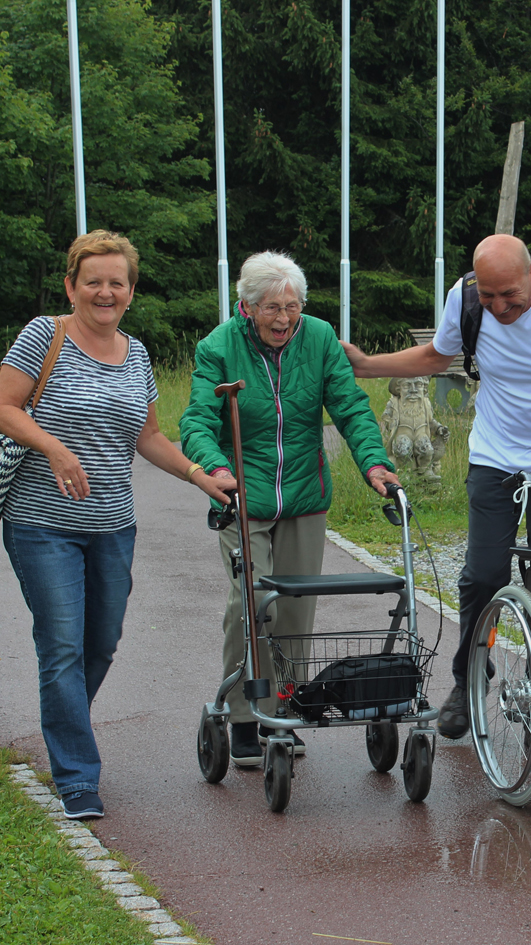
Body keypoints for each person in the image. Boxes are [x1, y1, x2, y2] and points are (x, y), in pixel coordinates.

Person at [0, 230, 232, 820]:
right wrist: (55, 448)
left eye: (116, 283)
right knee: (62, 646)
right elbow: (2, 408)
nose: (105, 292)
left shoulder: (137, 353)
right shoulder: (43, 335)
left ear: (130, 291)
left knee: (100, 643)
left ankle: (64, 722)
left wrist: (199, 475)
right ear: (71, 287)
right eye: (92, 281)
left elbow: (148, 436)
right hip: (42, 524)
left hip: (112, 526)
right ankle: (77, 777)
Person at [342, 234, 531, 739]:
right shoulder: (465, 299)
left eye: (510, 295)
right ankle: (469, 677)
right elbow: (435, 357)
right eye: (489, 296)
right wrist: (366, 365)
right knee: (482, 575)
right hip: (495, 454)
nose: (500, 307)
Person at [179, 251, 398, 767]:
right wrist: (217, 469)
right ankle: (244, 714)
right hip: (242, 497)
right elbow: (197, 421)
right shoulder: (218, 347)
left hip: (303, 496)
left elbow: (350, 407)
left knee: (296, 611)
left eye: (292, 306)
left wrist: (374, 464)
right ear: (247, 306)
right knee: (254, 603)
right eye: (272, 308)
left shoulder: (319, 338)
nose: (284, 319)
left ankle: (283, 707)